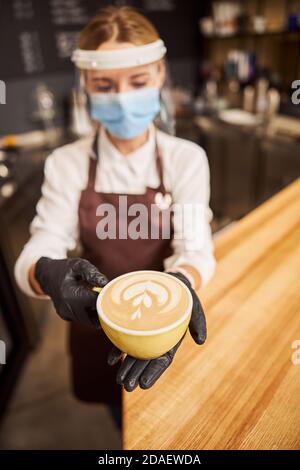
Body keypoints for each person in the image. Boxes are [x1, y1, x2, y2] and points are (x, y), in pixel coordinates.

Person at [15, 6, 216, 421]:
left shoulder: (185, 159)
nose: (122, 97)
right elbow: (42, 244)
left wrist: (182, 285)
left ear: (160, 76)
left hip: (165, 328)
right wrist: (46, 272)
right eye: (105, 85)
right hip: (94, 324)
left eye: (138, 81)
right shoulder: (66, 163)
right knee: (116, 412)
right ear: (85, 85)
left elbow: (196, 247)